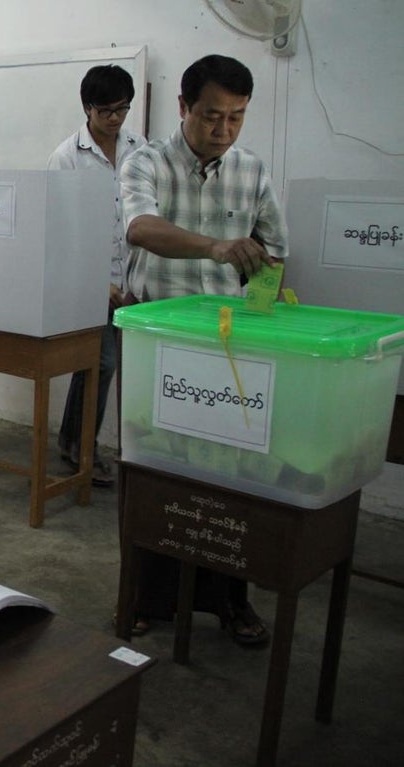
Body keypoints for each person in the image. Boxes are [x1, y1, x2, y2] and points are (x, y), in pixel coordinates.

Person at [120, 54, 289, 646]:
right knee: (156, 470)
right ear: (184, 107)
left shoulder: (252, 171)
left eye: (237, 118)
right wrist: (216, 248)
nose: (223, 130)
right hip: (158, 341)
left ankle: (228, 600)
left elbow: (273, 253)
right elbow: (140, 228)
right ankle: (146, 598)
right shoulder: (146, 162)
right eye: (212, 116)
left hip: (230, 347)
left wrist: (266, 315)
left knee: (231, 477)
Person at [48, 65, 146, 488]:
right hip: (92, 280)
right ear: (87, 108)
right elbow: (58, 228)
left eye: (122, 108)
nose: (115, 117)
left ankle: (76, 443)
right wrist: (94, 281)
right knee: (99, 364)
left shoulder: (140, 149)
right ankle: (82, 449)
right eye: (106, 110)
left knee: (124, 367)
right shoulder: (67, 157)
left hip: (136, 277)